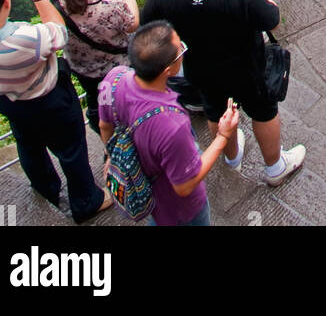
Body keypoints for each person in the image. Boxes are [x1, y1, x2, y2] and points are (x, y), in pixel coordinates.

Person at [137, 0, 305, 184]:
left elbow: (148, 28)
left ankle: (231, 156)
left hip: (202, 69)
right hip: (248, 66)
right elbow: (272, 18)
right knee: (263, 111)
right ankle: (275, 167)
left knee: (216, 111)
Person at [0, 0, 111, 223]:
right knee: (70, 149)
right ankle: (86, 202)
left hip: (8, 101)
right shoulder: (26, 39)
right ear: (7, 1)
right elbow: (59, 32)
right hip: (49, 101)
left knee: (28, 146)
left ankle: (46, 190)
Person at [98, 22, 237, 226]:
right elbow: (185, 185)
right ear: (168, 70)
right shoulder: (172, 124)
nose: (182, 49)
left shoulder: (114, 78)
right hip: (178, 207)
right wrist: (223, 137)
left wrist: (112, 157)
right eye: (179, 50)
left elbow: (104, 125)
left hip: (143, 188)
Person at [48, 0, 138, 135]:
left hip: (81, 70)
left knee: (96, 101)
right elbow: (133, 23)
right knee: (123, 101)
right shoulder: (108, 4)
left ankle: (104, 132)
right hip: (115, 70)